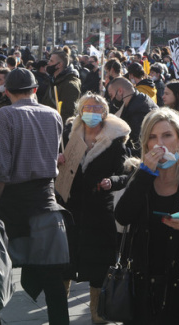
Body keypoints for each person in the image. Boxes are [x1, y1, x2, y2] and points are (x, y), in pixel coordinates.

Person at [114, 108, 179, 323]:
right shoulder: (140, 175)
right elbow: (122, 216)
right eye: (152, 137)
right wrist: (144, 174)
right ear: (145, 143)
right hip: (143, 286)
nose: (159, 144)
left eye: (167, 135)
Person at [0, 68, 70, 325]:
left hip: (13, 202)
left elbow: (0, 168)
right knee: (52, 277)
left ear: (8, 91)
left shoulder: (4, 115)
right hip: (45, 201)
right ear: (35, 90)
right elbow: (57, 156)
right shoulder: (53, 114)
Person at [59, 93, 130, 324]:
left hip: (99, 212)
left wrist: (112, 181)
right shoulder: (69, 136)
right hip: (70, 210)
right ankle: (59, 312)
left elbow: (125, 174)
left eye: (97, 108)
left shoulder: (114, 142)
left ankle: (98, 314)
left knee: (99, 265)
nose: (92, 112)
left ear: (105, 113)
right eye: (87, 108)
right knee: (65, 261)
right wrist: (57, 161)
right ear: (79, 111)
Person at [108, 77, 157, 156]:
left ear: (120, 91)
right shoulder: (139, 99)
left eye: (111, 95)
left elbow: (140, 148)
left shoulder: (138, 111)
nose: (111, 99)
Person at [46, 50, 81, 122]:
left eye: (51, 61)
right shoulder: (54, 80)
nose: (48, 63)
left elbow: (68, 113)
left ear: (59, 64)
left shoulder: (70, 85)